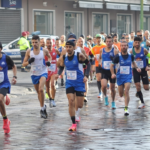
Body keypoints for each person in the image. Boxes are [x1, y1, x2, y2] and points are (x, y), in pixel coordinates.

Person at [56, 40, 88, 131]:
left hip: (79, 82)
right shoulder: (64, 56)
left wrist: (86, 75)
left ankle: (77, 113)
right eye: (67, 47)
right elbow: (61, 66)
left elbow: (87, 63)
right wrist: (58, 74)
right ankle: (73, 123)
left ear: (73, 47)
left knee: (80, 105)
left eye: (70, 47)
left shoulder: (78, 55)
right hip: (69, 82)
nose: (68, 48)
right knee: (71, 101)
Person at [22, 35, 52, 119]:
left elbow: (49, 57)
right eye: (33, 42)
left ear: (39, 42)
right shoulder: (29, 51)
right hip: (34, 74)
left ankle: (42, 109)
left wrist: (48, 62)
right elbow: (23, 64)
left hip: (43, 72)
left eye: (36, 42)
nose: (34, 44)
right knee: (39, 93)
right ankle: (43, 106)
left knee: (41, 89)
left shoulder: (44, 50)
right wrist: (28, 61)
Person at [110, 41, 140, 116]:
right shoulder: (117, 56)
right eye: (122, 45)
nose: (124, 47)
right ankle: (122, 93)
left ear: (127, 46)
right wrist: (113, 73)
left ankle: (126, 108)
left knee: (126, 91)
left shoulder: (131, 55)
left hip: (128, 76)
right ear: (120, 47)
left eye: (125, 45)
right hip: (120, 77)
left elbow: (133, 62)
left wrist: (136, 67)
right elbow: (111, 66)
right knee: (120, 94)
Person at [0, 42, 17, 134]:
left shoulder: (6, 58)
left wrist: (15, 77)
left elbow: (14, 66)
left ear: (1, 49)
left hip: (4, 84)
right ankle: (5, 96)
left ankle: (5, 120)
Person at [100, 36, 119, 108]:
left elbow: (118, 63)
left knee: (112, 88)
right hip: (104, 70)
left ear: (112, 42)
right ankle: (105, 96)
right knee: (104, 86)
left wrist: (116, 73)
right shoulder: (102, 50)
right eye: (107, 41)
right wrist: (99, 63)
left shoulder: (115, 51)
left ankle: (113, 101)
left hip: (112, 72)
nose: (108, 43)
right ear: (105, 42)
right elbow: (100, 58)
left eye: (110, 41)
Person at [131, 37, 149, 109]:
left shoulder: (144, 50)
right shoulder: (131, 51)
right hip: (136, 70)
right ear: (134, 43)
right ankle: (142, 102)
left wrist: (148, 66)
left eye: (138, 42)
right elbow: (130, 60)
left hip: (143, 70)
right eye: (136, 42)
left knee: (146, 88)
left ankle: (139, 92)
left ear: (140, 43)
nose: (137, 44)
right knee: (138, 85)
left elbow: (149, 57)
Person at [45, 38, 60, 107]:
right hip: (46, 70)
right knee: (47, 86)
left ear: (52, 43)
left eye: (50, 43)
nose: (49, 44)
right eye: (47, 43)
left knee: (52, 84)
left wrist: (60, 64)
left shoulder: (55, 50)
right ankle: (50, 99)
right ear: (46, 44)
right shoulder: (44, 51)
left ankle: (53, 99)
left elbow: (60, 56)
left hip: (54, 70)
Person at [91, 34, 106, 99]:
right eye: (97, 38)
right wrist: (93, 57)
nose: (98, 40)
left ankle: (105, 88)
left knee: (104, 80)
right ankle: (100, 92)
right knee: (98, 78)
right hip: (97, 65)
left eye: (100, 38)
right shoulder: (94, 48)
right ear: (95, 40)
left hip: (105, 65)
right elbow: (91, 55)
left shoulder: (104, 46)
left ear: (102, 39)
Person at [77, 37, 91, 102]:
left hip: (85, 66)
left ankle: (85, 96)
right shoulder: (76, 49)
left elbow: (91, 55)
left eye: (82, 41)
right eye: (79, 41)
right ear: (77, 42)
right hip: (78, 67)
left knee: (85, 81)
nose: (81, 43)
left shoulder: (87, 49)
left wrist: (89, 58)